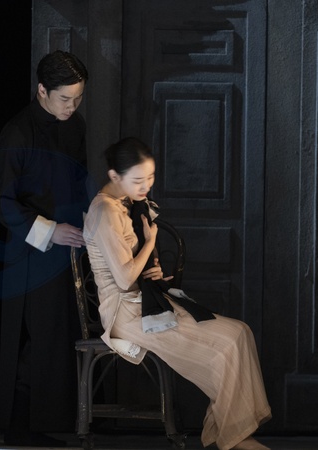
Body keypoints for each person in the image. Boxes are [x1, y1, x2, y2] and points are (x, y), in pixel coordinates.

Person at [82, 137, 272, 450]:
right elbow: (125, 279)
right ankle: (236, 437)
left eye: (151, 177)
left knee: (240, 332)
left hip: (144, 301)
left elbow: (135, 268)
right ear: (115, 176)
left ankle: (230, 429)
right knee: (227, 343)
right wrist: (149, 242)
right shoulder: (105, 210)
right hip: (125, 313)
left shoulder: (125, 202)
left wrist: (153, 268)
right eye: (138, 180)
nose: (146, 186)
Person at [0, 50, 92, 447]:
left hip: (69, 248)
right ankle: (19, 427)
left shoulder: (75, 126)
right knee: (33, 336)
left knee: (58, 336)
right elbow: (1, 200)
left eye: (78, 98)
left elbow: (80, 182)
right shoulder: (18, 131)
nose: (71, 107)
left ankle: (52, 422)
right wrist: (50, 231)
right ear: (42, 90)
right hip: (29, 251)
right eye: (65, 98)